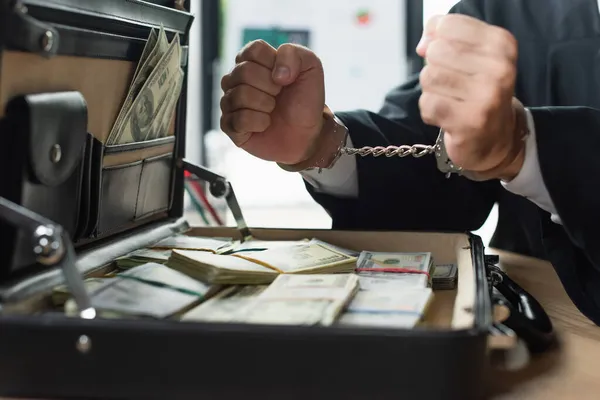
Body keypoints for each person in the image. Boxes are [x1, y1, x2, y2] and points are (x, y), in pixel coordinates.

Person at [218, 0, 600, 325]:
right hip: (540, 318)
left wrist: (522, 148)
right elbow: (433, 143)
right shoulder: (507, 7)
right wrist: (323, 146)